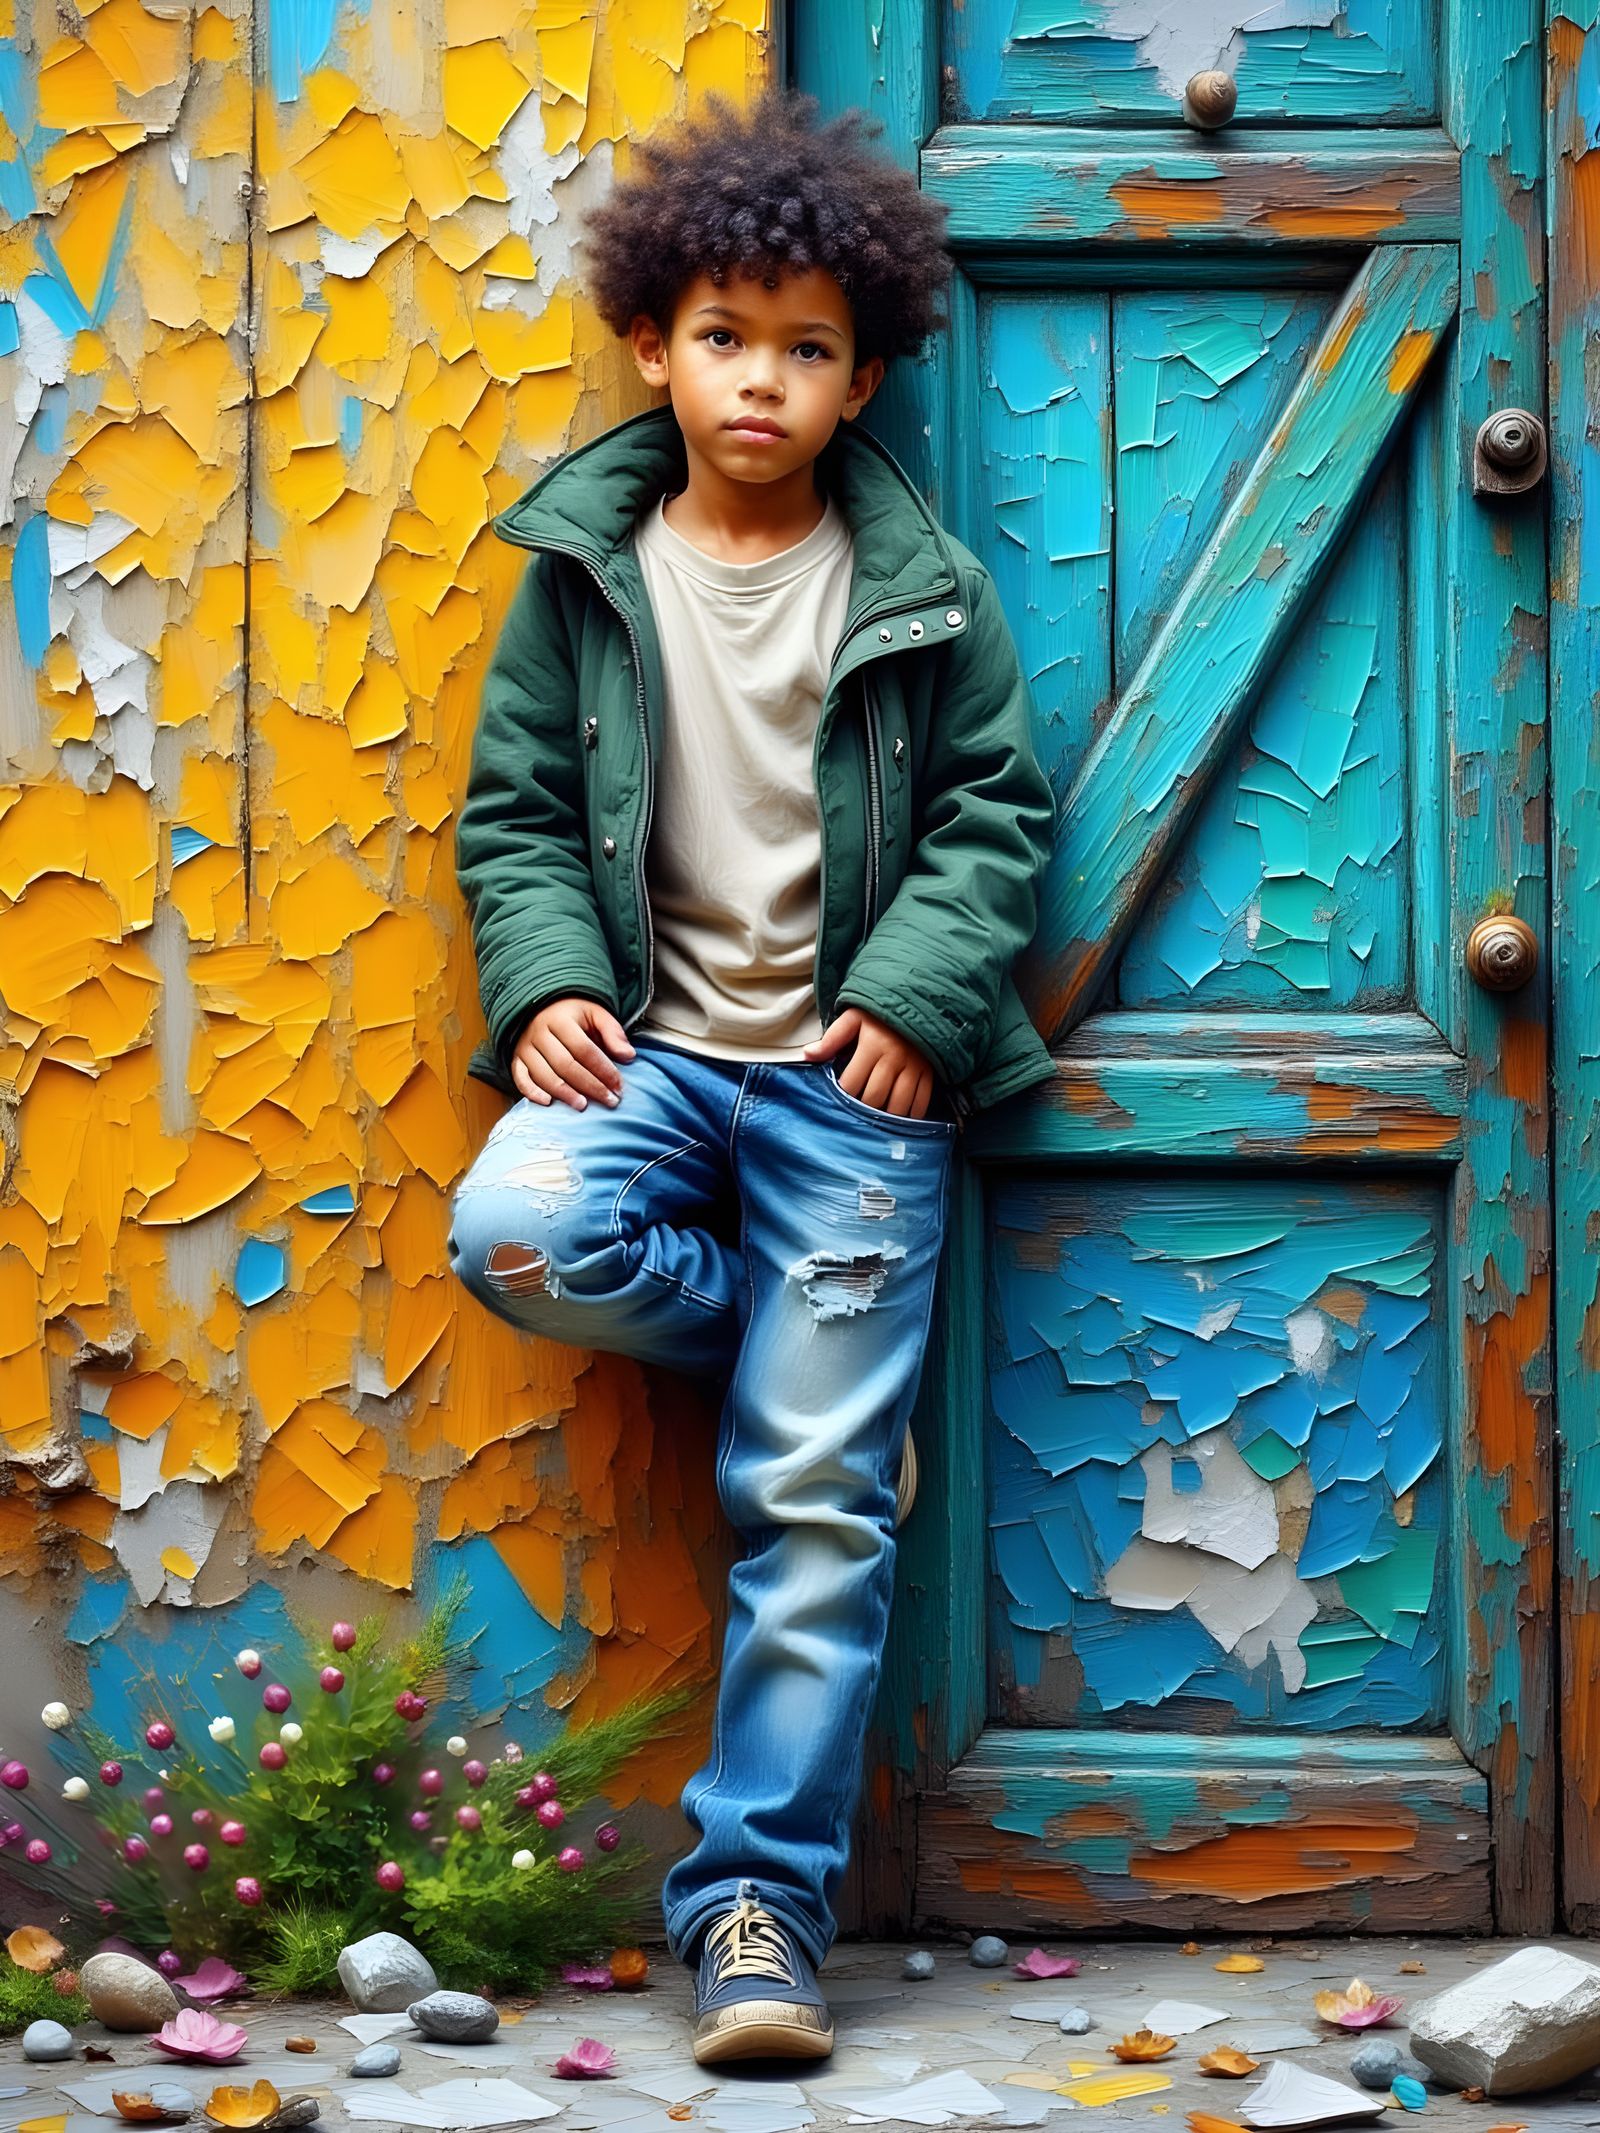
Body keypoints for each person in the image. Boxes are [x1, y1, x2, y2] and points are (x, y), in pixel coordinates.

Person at [445, 83, 1057, 2067]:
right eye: (725, 336)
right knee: (520, 1230)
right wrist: (542, 976)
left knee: (811, 1516)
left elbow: (991, 814)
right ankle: (809, 1370)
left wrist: (913, 995)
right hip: (647, 1061)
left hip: (848, 1089)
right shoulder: (582, 566)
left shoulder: (922, 584)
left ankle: (753, 1920)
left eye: (807, 347)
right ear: (652, 339)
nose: (760, 382)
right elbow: (516, 812)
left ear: (862, 370)